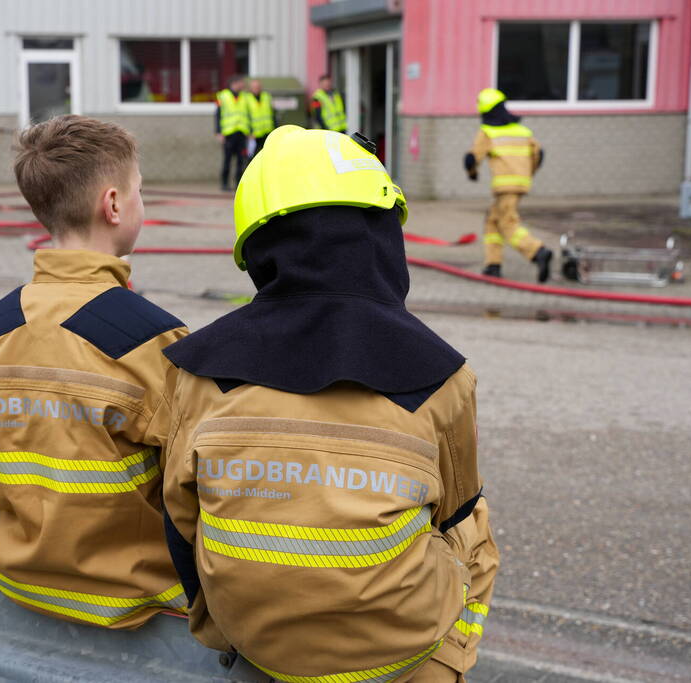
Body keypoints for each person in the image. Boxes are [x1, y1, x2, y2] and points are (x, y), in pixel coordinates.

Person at [161, 126, 499, 682]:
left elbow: (181, 520)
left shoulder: (199, 371)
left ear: (258, 248)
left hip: (252, 639)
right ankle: (449, 661)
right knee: (472, 518)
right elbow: (455, 512)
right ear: (384, 236)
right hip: (401, 653)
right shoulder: (443, 376)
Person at [0, 115, 189, 629]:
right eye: (138, 192)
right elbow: (190, 488)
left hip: (22, 583)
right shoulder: (155, 338)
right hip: (135, 599)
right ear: (112, 205)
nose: (139, 204)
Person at [464, 88, 552, 282]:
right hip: (521, 184)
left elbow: (471, 158)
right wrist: (528, 174)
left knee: (507, 223)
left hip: (504, 187)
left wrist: (472, 174)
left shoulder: (488, 132)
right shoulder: (523, 131)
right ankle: (493, 265)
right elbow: (539, 154)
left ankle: (538, 252)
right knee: (492, 221)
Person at [215, 75, 250, 191]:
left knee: (241, 160)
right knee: (227, 160)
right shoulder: (223, 96)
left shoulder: (245, 97)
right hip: (228, 133)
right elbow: (218, 115)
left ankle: (238, 184)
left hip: (242, 132)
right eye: (241, 83)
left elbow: (249, 115)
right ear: (234, 84)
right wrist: (218, 132)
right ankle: (224, 184)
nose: (243, 85)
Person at [242, 79, 276, 155]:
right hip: (254, 133)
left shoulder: (266, 96)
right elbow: (244, 117)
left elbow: (272, 113)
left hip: (267, 131)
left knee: (267, 154)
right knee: (253, 156)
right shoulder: (246, 98)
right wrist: (249, 132)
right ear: (250, 88)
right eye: (254, 87)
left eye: (258, 87)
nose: (256, 89)